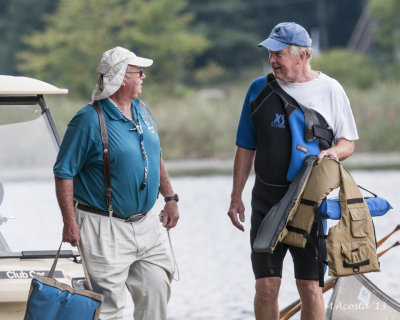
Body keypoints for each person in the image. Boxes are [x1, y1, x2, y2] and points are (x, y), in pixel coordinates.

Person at [227, 22, 358, 320]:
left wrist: (332, 152)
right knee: (266, 286)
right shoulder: (258, 89)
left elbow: (348, 143)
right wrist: (236, 196)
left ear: (302, 55)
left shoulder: (330, 89)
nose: (272, 59)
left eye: (279, 53)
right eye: (270, 52)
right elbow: (245, 146)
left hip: (308, 203)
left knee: (309, 286)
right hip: (266, 202)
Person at [53, 46, 179, 320]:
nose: (144, 77)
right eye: (139, 73)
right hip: (103, 228)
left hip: (147, 225)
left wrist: (170, 198)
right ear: (122, 77)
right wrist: (69, 222)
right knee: (108, 310)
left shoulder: (142, 110)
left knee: (157, 289)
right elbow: (64, 172)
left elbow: (155, 156)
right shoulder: (87, 120)